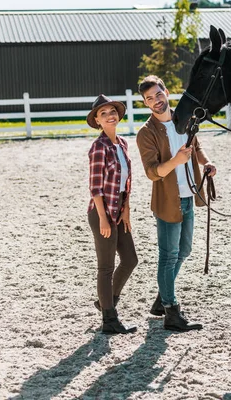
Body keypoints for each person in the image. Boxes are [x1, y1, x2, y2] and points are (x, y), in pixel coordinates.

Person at [136, 75, 217, 332]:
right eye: (149, 99)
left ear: (166, 92)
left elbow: (196, 146)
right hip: (167, 200)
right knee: (168, 256)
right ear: (145, 103)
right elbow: (152, 172)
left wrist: (205, 162)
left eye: (158, 95)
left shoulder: (184, 120)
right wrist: (176, 161)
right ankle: (171, 311)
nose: (156, 101)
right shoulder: (146, 133)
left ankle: (162, 298)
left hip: (188, 195)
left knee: (184, 251)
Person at [87, 94, 138, 334]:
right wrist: (104, 219)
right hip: (102, 212)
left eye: (112, 111)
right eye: (104, 113)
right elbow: (95, 188)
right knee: (106, 267)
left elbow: (126, 181)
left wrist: (126, 211)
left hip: (119, 210)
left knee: (130, 260)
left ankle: (106, 301)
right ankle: (109, 320)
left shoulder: (123, 144)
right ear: (97, 121)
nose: (110, 116)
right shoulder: (98, 147)